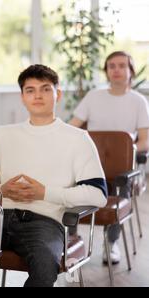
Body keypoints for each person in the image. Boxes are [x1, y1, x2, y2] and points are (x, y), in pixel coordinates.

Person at [0, 64, 107, 287]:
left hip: (44, 223)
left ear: (58, 94)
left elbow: (98, 195)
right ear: (22, 97)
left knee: (44, 268)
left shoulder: (78, 138)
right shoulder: (4, 134)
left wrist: (45, 193)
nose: (38, 95)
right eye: (30, 90)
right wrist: (0, 189)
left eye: (45, 89)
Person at [69, 51, 149, 264]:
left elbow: (145, 140)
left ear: (130, 71)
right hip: (91, 165)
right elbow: (72, 129)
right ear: (106, 71)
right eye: (111, 66)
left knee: (120, 184)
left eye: (122, 65)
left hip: (121, 168)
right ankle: (71, 239)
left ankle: (111, 244)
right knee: (68, 181)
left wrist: (123, 152)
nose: (116, 70)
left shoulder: (138, 102)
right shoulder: (94, 97)